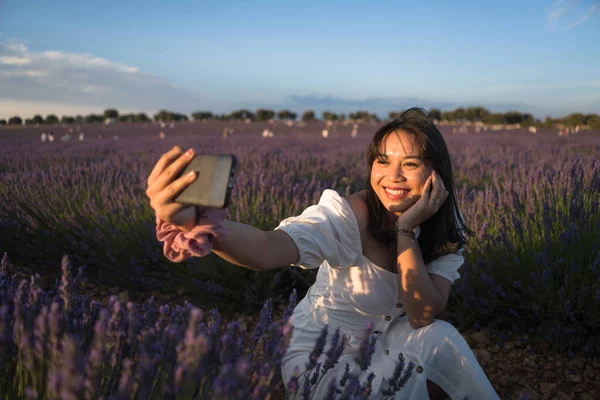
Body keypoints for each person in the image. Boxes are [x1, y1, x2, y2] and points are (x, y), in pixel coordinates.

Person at [145, 108, 499, 399]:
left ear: (435, 173)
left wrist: (407, 230)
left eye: (410, 163)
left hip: (389, 341)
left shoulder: (444, 226)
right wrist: (196, 224)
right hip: (324, 353)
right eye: (382, 161)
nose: (392, 176)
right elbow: (268, 247)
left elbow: (423, 314)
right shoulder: (348, 216)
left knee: (442, 337)